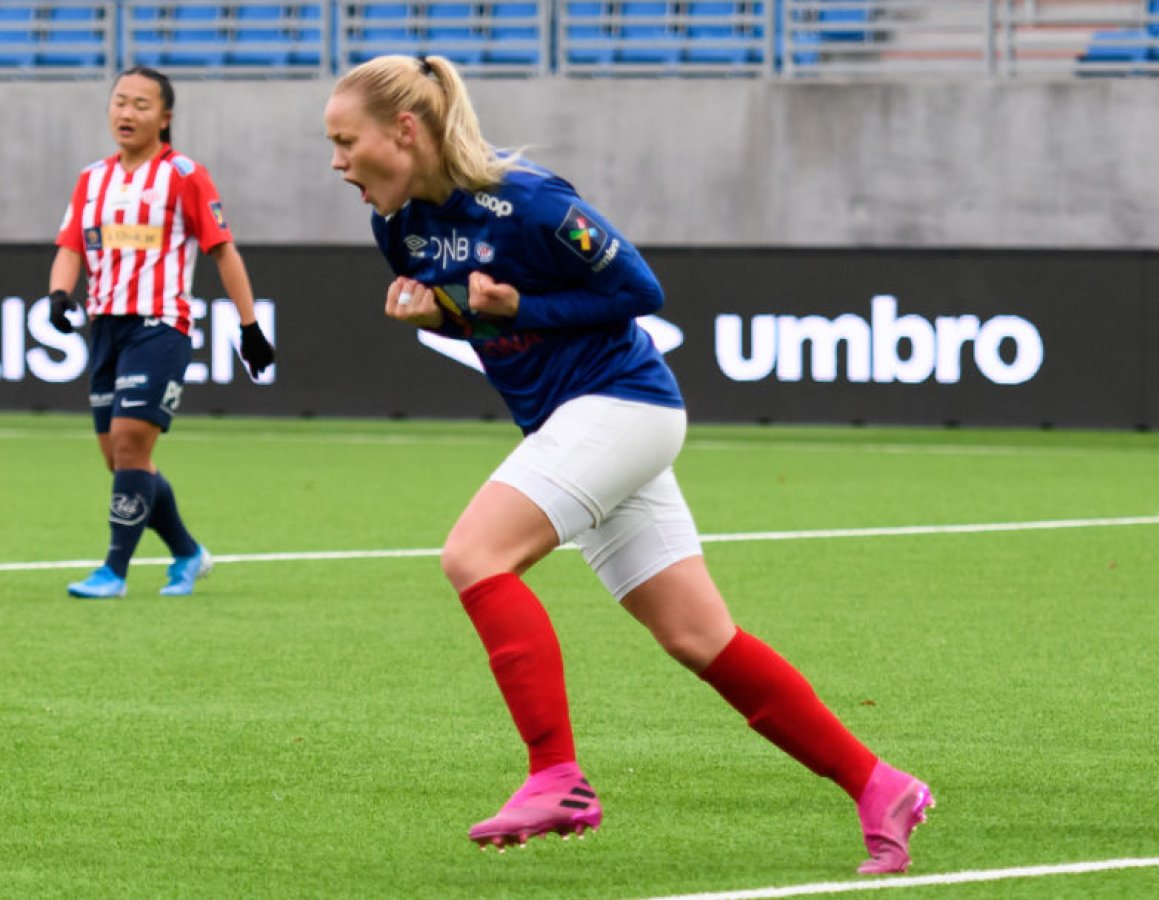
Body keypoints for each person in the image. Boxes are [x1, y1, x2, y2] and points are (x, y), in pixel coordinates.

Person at [320, 54, 932, 872]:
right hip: (572, 423)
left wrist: (517, 304)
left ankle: (557, 776)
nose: (336, 163)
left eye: (343, 140)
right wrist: (437, 316)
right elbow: (484, 328)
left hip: (624, 406)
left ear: (405, 129)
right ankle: (877, 783)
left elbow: (641, 289)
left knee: (474, 556)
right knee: (698, 636)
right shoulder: (397, 227)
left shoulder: (530, 201)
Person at [47, 66, 276, 600]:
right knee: (123, 458)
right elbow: (70, 245)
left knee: (129, 444)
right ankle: (188, 553)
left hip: (160, 327)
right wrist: (60, 294)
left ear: (165, 117)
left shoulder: (185, 176)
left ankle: (114, 571)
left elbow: (223, 251)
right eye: (120, 102)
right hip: (105, 327)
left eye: (141, 105)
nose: (127, 113)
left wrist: (250, 328)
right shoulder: (91, 179)